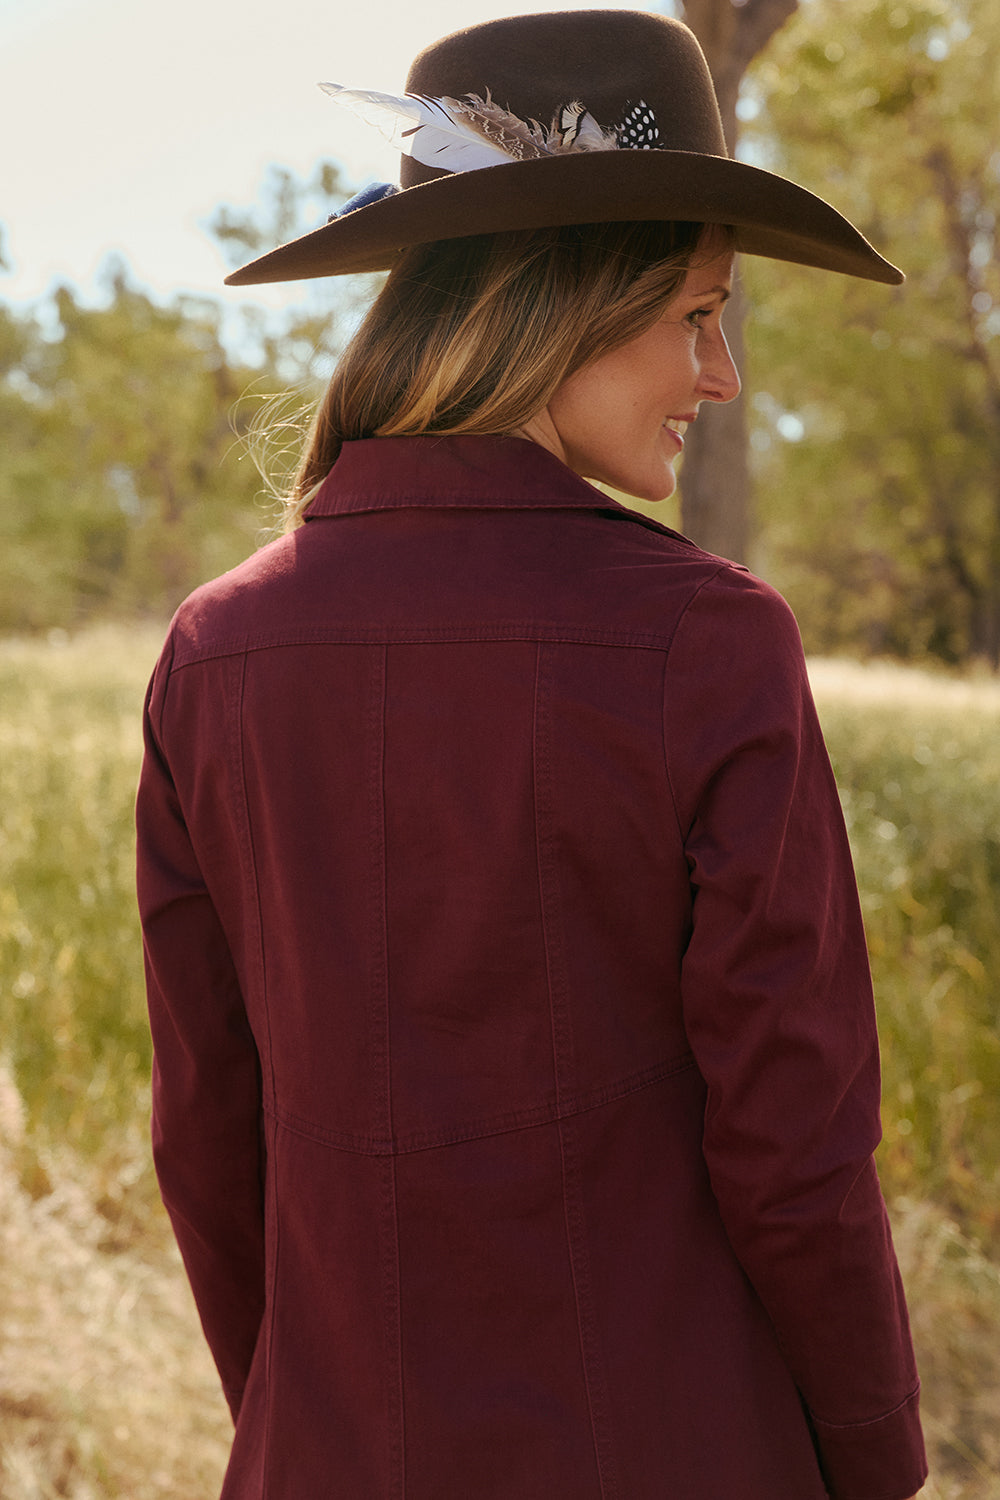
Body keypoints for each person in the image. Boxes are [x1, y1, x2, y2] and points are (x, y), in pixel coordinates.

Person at [136, 11, 928, 1499]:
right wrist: (875, 1458)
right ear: (567, 303)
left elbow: (209, 1134)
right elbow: (795, 1146)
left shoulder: (211, 652)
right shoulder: (710, 640)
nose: (725, 378)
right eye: (698, 316)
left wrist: (308, 1413)